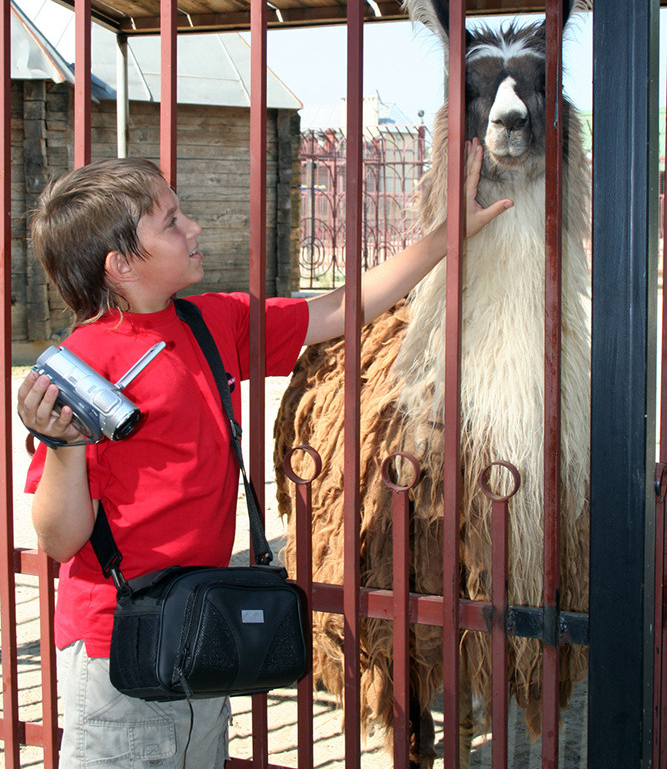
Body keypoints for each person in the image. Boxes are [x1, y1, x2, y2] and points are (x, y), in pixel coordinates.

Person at [18, 145, 511, 769]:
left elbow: (339, 308)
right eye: (171, 221)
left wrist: (446, 235)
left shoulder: (211, 322)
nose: (192, 226)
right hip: (117, 649)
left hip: (202, 627)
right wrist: (62, 445)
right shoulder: (83, 367)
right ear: (120, 264)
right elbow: (61, 541)